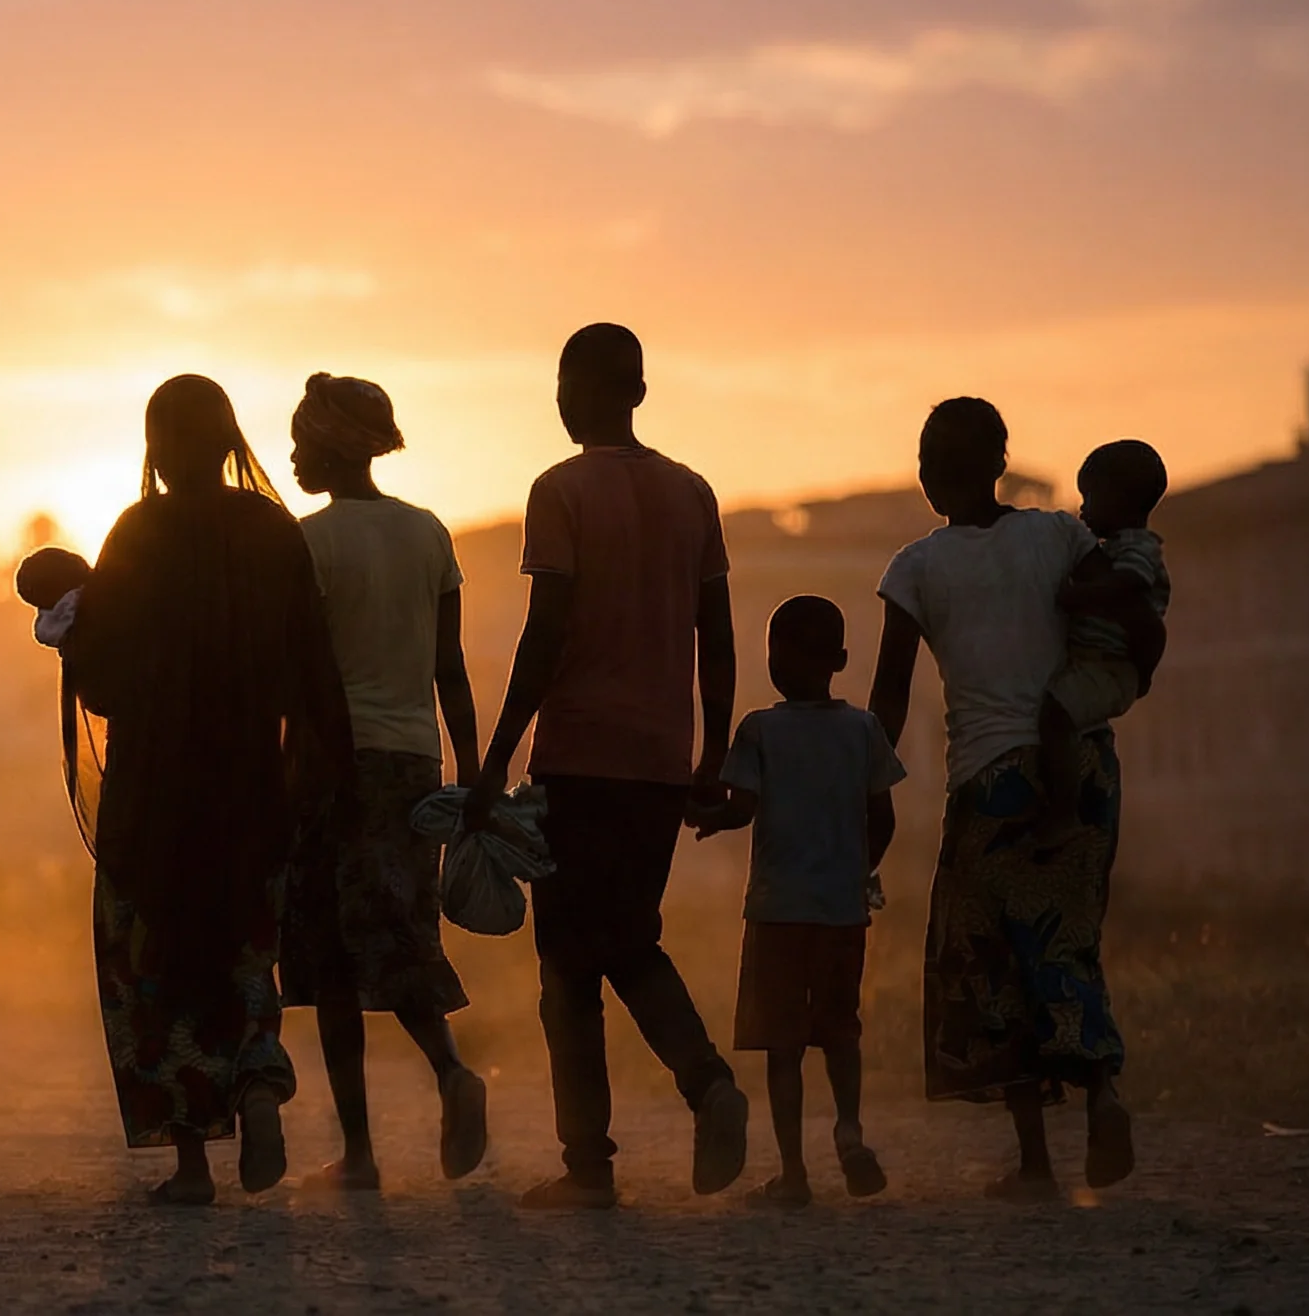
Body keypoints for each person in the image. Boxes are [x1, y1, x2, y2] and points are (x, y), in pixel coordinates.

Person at [463, 323, 751, 1210]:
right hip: (660, 762)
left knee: (571, 960)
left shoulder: (559, 491)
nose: (557, 396)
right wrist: (711, 753)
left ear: (590, 392)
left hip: (580, 755)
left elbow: (544, 632)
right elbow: (718, 635)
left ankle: (616, 1146)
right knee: (624, 933)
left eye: (562, 380)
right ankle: (685, 1101)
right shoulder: (692, 493)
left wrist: (496, 754)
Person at [59, 374, 352, 1206]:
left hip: (153, 802)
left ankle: (191, 1166)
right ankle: (258, 1087)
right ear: (229, 444)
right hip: (250, 794)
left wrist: (72, 628)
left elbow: (106, 683)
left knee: (154, 974)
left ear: (154, 447)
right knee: (245, 952)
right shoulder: (271, 533)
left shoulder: (135, 535)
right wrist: (320, 781)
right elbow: (312, 671)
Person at [869, 398, 1153, 1200]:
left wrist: (866, 784)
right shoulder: (1060, 535)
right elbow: (1124, 602)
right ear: (1001, 460)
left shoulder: (914, 567)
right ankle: (1102, 1094)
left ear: (926, 472)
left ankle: (1034, 1161)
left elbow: (889, 696)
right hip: (1085, 766)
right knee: (1067, 943)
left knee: (992, 964)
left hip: (993, 786)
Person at [280, 373, 489, 1190]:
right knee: (401, 927)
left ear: (328, 447)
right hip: (413, 762)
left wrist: (287, 773)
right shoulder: (429, 534)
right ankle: (448, 1073)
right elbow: (451, 669)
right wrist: (472, 770)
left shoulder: (310, 542)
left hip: (336, 766)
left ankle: (365, 1151)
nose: (292, 455)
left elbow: (301, 680)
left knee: (333, 958)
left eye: (301, 441)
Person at [698, 596, 903, 1207]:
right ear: (839, 659)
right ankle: (849, 1130)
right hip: (842, 913)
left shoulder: (760, 729)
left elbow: (741, 809)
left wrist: (702, 814)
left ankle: (793, 1173)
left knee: (782, 1045)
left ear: (772, 660)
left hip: (777, 912)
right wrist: (857, 870)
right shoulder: (864, 729)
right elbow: (883, 819)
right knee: (840, 1031)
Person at [1036, 440, 1171, 820]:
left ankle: (1061, 811)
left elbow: (1127, 586)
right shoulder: (1114, 548)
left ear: (1121, 500)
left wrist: (1078, 597)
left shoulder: (1137, 548)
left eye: (1090, 496)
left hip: (1107, 666)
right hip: (1098, 664)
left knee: (1054, 718)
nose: (1082, 508)